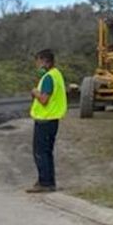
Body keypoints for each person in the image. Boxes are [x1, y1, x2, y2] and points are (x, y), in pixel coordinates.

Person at [28, 49, 67, 193]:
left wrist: (35, 92)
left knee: (41, 152)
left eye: (38, 61)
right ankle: (49, 181)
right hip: (52, 119)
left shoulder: (49, 77)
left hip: (45, 119)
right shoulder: (56, 75)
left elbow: (44, 99)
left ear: (45, 61)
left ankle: (44, 182)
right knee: (47, 152)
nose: (36, 65)